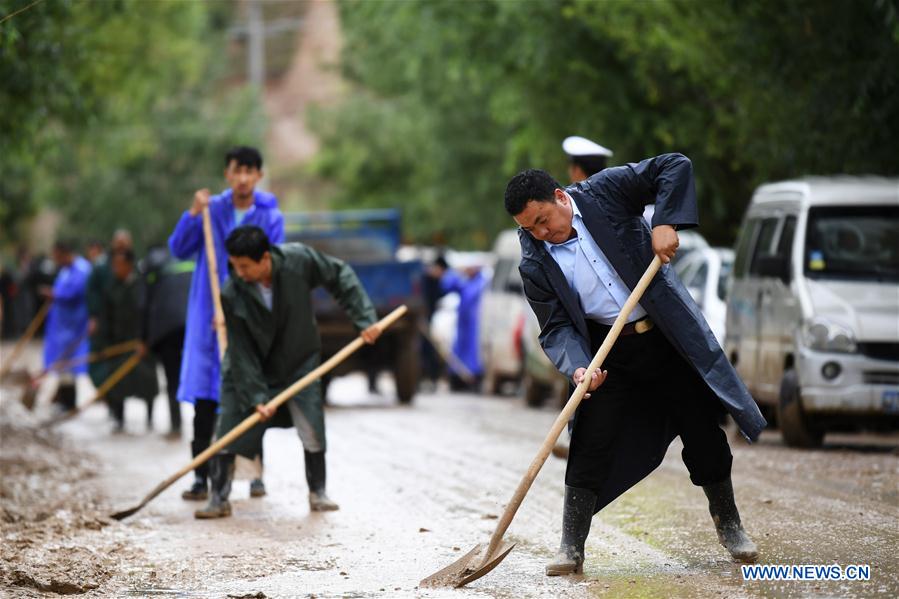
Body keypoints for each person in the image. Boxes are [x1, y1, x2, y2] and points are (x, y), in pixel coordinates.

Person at [503, 154, 766, 576]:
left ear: (559, 196)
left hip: (665, 338)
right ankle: (571, 546)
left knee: (702, 432)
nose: (541, 233)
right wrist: (578, 367)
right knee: (589, 439)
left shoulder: (604, 192)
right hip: (608, 355)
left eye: (542, 220)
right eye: (529, 228)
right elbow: (555, 328)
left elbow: (674, 165)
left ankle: (730, 524)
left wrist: (665, 222)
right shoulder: (535, 261)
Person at [195, 226, 382, 519]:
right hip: (249, 367)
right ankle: (218, 497)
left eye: (244, 266)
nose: (239, 272)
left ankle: (318, 491)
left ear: (265, 259)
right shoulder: (233, 293)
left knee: (311, 425)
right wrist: (256, 395)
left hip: (298, 361)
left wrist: (364, 319)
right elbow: (242, 352)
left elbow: (340, 275)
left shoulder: (298, 260)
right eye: (234, 265)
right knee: (230, 426)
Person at [169, 146, 284, 502]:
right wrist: (192, 213)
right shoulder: (211, 210)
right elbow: (178, 249)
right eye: (237, 170)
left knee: (251, 391)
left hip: (247, 316)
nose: (244, 178)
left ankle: (253, 472)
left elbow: (272, 265)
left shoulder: (269, 215)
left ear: (259, 176)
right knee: (205, 397)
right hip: (208, 315)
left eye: (250, 171)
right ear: (228, 174)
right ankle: (201, 477)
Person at [100, 249, 159, 433]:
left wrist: (148, 339)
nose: (116, 268)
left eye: (119, 265)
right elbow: (106, 317)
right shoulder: (111, 287)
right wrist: (105, 343)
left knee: (147, 382)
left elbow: (151, 313)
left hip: (141, 342)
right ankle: (119, 419)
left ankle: (150, 419)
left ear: (129, 265)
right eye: (114, 265)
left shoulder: (142, 285)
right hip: (118, 344)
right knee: (117, 384)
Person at [142, 245, 193, 439]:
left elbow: (143, 303)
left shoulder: (151, 264)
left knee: (172, 379)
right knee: (199, 378)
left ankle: (176, 426)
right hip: (193, 327)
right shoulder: (190, 255)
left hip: (165, 331)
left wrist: (143, 338)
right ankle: (210, 427)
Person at [40, 240, 92, 412]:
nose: (55, 260)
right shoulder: (64, 270)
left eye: (57, 256)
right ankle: (62, 399)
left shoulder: (82, 269)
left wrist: (55, 294)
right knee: (60, 363)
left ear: (65, 254)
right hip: (60, 326)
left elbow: (74, 292)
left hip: (74, 325)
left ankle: (69, 402)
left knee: (70, 362)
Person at [86, 230, 134, 406]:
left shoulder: (134, 267)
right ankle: (109, 399)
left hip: (128, 328)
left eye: (124, 243)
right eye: (118, 243)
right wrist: (93, 316)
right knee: (99, 364)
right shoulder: (101, 267)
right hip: (105, 324)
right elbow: (92, 292)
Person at [438, 260, 487, 391]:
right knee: (459, 351)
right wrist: (457, 272)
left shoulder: (482, 283)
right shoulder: (465, 281)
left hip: (476, 325)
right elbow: (446, 284)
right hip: (463, 324)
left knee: (474, 352)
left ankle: (474, 379)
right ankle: (457, 378)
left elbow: (472, 296)